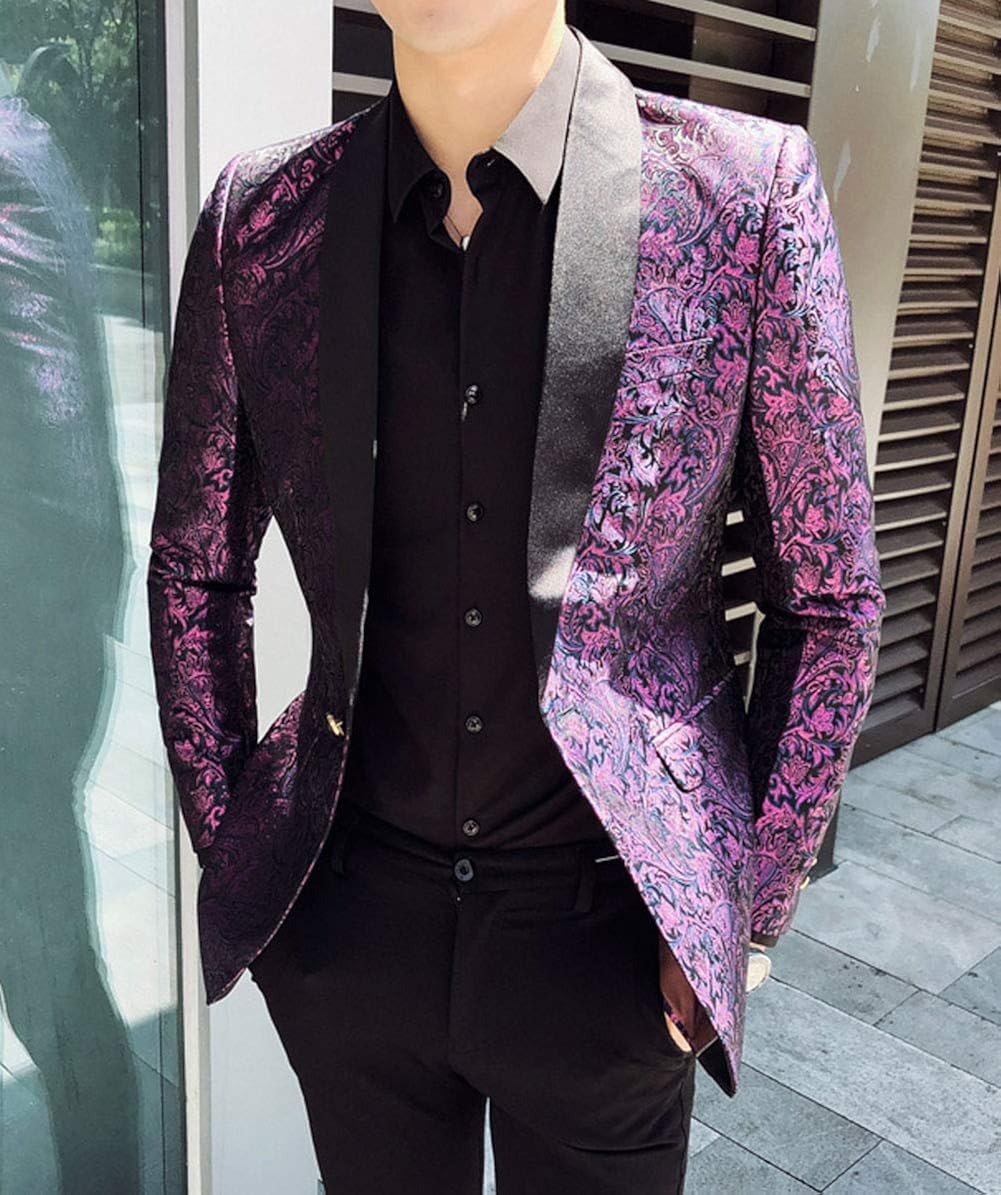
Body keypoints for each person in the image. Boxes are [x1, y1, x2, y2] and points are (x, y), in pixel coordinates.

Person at [147, 2, 885, 1191]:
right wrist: (235, 844)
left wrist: (740, 919)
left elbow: (828, 600)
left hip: (611, 948)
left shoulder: (741, 196)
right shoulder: (262, 218)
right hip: (349, 932)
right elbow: (196, 564)